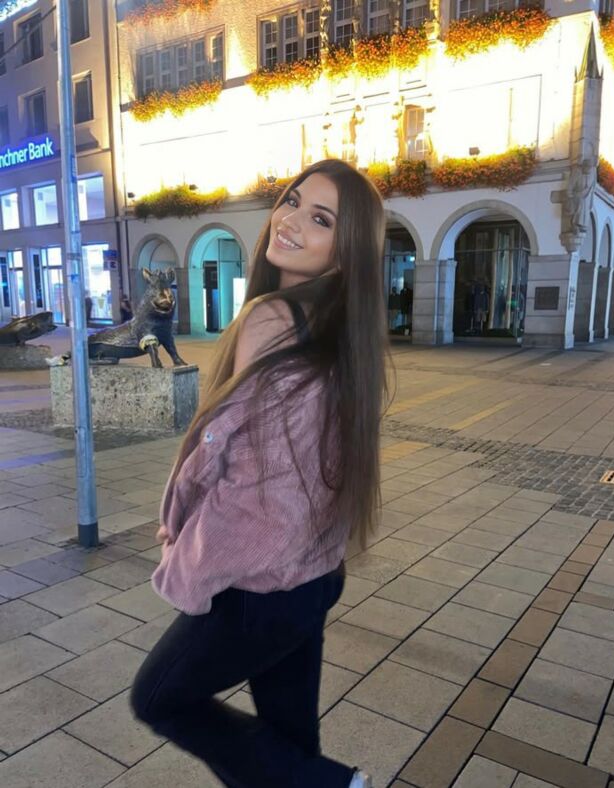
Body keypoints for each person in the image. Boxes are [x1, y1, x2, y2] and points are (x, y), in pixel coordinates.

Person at [130, 159, 388, 788]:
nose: (290, 221)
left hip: (262, 585)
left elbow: (252, 487)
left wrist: (189, 553)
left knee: (159, 697)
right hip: (314, 573)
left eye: (321, 219)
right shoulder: (343, 332)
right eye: (292, 201)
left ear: (347, 250)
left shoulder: (273, 318)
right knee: (286, 741)